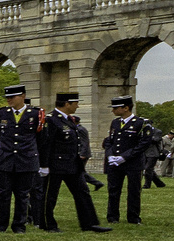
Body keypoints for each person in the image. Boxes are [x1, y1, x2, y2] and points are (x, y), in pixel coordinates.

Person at [38, 93, 108, 233]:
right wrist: (44, 165)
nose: (78, 106)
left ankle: (90, 223)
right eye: (75, 103)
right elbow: (46, 144)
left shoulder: (68, 120)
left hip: (72, 164)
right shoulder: (51, 120)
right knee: (49, 195)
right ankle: (47, 224)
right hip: (55, 164)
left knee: (83, 193)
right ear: (67, 104)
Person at [0, 84, 43, 234]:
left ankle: (19, 225)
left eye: (13, 97)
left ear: (23, 96)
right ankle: (0, 225)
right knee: (2, 194)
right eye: (7, 97)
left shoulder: (35, 114)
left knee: (22, 195)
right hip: (6, 159)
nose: (9, 100)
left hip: (26, 160)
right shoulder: (2, 113)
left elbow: (39, 138)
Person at [102, 97, 156, 225]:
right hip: (115, 162)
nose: (113, 111)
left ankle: (133, 217)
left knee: (134, 191)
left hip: (133, 162)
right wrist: (110, 155)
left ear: (126, 108)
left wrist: (124, 157)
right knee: (113, 190)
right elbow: (110, 140)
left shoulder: (141, 123)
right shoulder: (115, 123)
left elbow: (143, 144)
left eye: (115, 108)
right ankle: (112, 217)